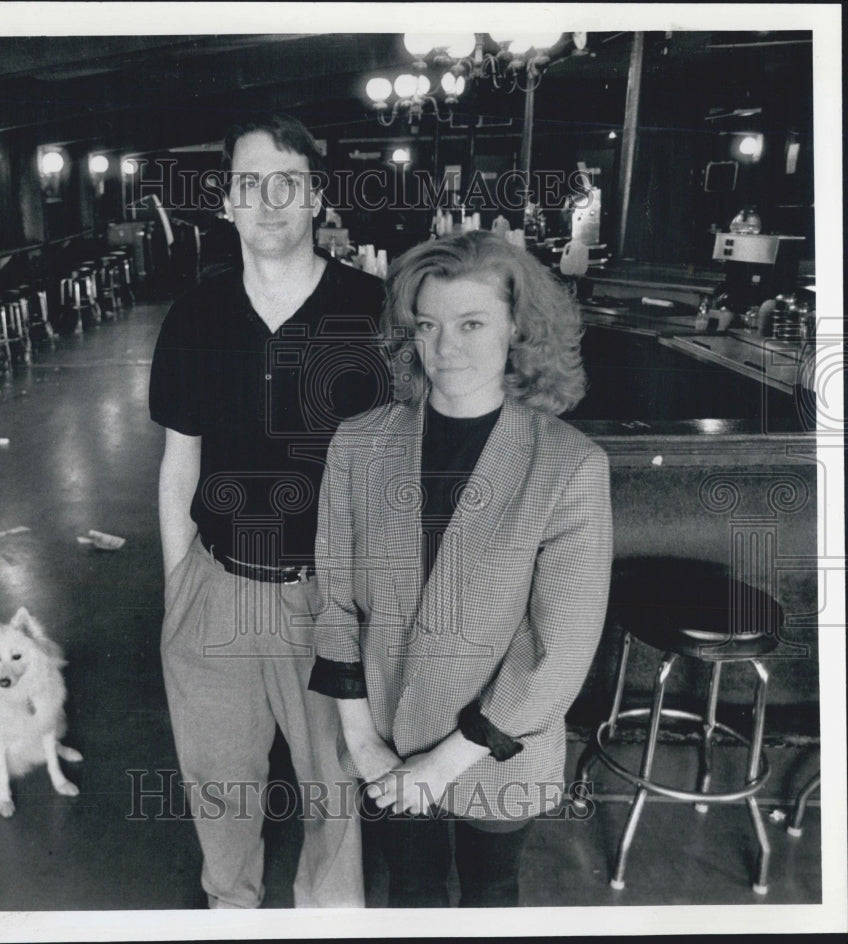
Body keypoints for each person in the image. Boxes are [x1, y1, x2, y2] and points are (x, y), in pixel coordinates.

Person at [308, 230, 613, 907]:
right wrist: (365, 746)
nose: (445, 348)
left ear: (518, 328)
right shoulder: (359, 443)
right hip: (384, 740)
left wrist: (440, 766)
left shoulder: (568, 465)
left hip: (500, 747)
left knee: (490, 890)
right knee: (410, 888)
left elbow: (558, 652)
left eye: (471, 323)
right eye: (427, 325)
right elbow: (334, 602)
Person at [149, 113, 388, 909]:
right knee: (219, 785)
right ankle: (232, 909)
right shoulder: (196, 317)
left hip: (332, 600)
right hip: (215, 588)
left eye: (290, 181)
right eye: (251, 183)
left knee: (335, 787)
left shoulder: (375, 314)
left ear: (318, 196)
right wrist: (177, 586)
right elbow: (180, 457)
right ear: (227, 202)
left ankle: (327, 916)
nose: (271, 199)